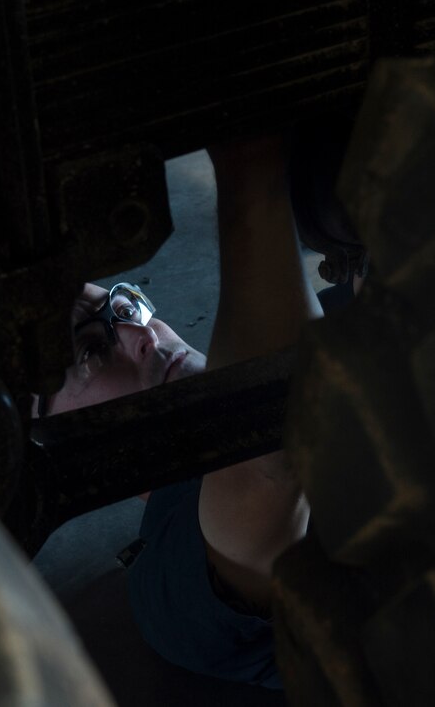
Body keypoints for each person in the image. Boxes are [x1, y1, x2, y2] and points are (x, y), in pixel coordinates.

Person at [36, 136, 323, 688]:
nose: (143, 334)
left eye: (124, 308)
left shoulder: (330, 318)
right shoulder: (167, 586)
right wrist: (250, 172)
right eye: (91, 353)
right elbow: (271, 450)